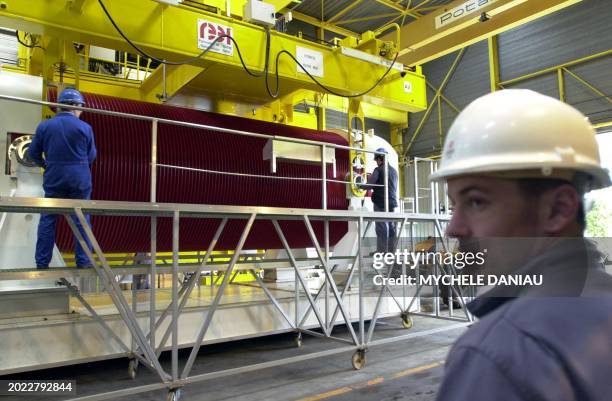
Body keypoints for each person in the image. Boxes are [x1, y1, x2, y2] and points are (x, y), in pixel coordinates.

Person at [431, 89, 612, 400]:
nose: (453, 228)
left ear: (558, 210)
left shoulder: (499, 354)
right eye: (453, 205)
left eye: (476, 201)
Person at [28, 88, 97, 269]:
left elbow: (32, 153)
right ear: (75, 107)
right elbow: (91, 156)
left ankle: (42, 263)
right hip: (79, 179)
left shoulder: (44, 126)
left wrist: (47, 165)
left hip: (54, 178)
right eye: (81, 107)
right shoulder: (85, 128)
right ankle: (83, 261)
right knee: (82, 219)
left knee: (48, 218)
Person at [360, 147, 398, 252]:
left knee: (381, 226)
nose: (376, 162)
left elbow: (370, 185)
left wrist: (359, 186)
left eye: (376, 160)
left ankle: (382, 251)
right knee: (391, 226)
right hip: (392, 202)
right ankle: (391, 251)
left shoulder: (378, 170)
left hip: (380, 202)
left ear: (379, 158)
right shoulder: (394, 171)